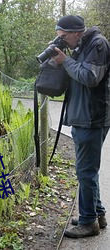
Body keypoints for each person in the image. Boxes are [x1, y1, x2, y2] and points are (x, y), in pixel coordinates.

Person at [52, 15, 110, 238]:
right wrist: (62, 60)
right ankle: (97, 214)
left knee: (85, 171)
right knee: (87, 171)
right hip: (82, 117)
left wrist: (65, 61)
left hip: (92, 118)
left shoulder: (98, 44)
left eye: (64, 37)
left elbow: (89, 77)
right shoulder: (81, 46)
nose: (63, 41)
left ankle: (88, 223)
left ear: (76, 32)